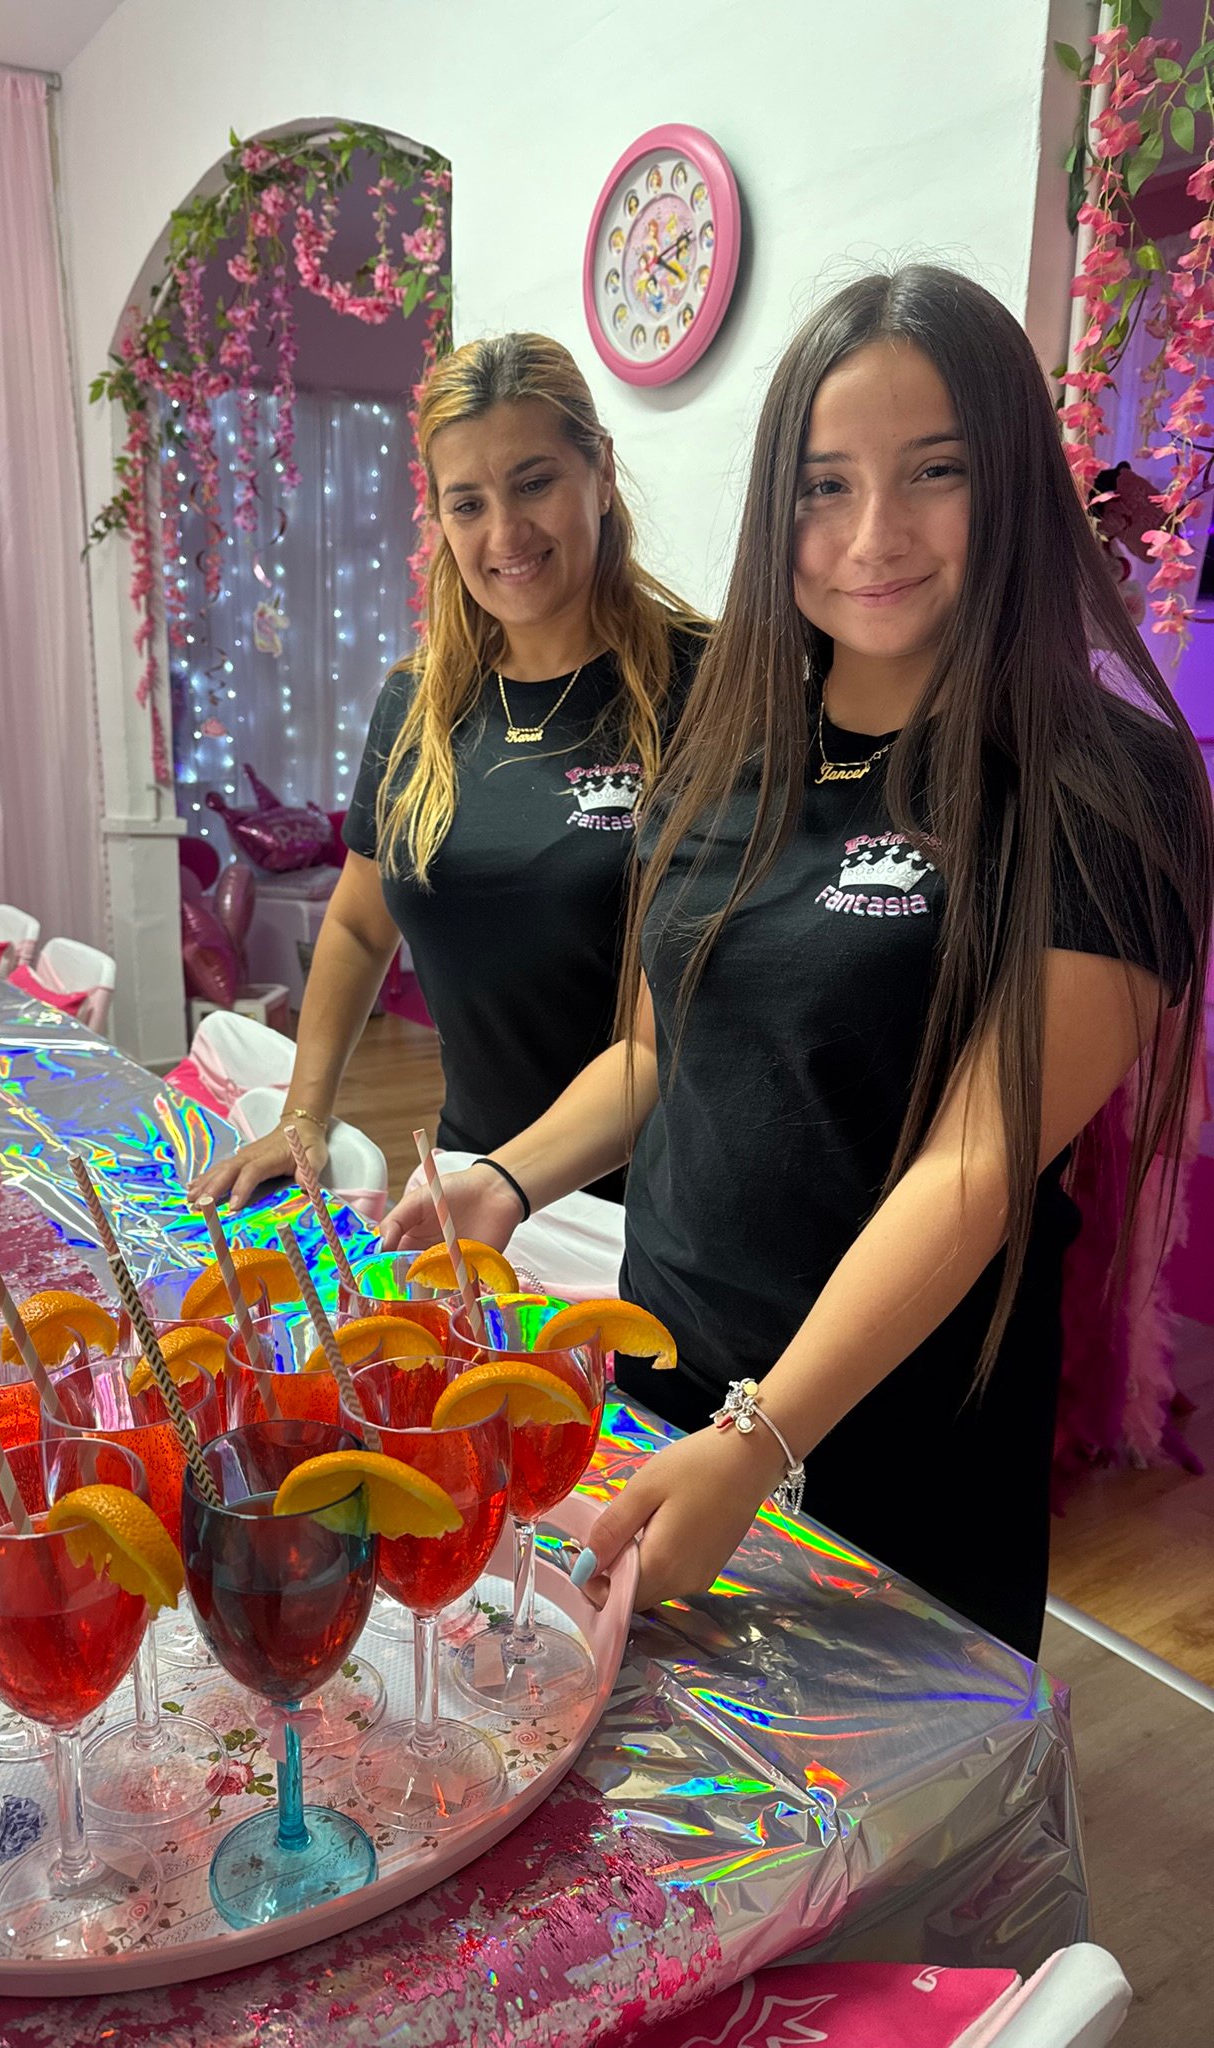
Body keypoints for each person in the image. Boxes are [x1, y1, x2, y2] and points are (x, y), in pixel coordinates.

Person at [382, 268, 1212, 1657]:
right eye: (825, 486)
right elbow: (656, 1051)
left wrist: (762, 1435)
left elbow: (976, 1164)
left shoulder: (1103, 783)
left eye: (935, 470)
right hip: (660, 1392)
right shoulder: (728, 740)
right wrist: (504, 1179)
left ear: (1013, 479)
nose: (873, 535)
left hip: (885, 1450)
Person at [189, 333, 706, 1212]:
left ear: (602, 474)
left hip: (662, 1213)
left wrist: (505, 1186)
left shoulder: (707, 686)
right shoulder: (419, 704)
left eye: (535, 483)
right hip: (471, 1185)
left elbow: (690, 1019)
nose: (506, 534)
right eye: (469, 503)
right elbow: (359, 925)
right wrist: (303, 1115)